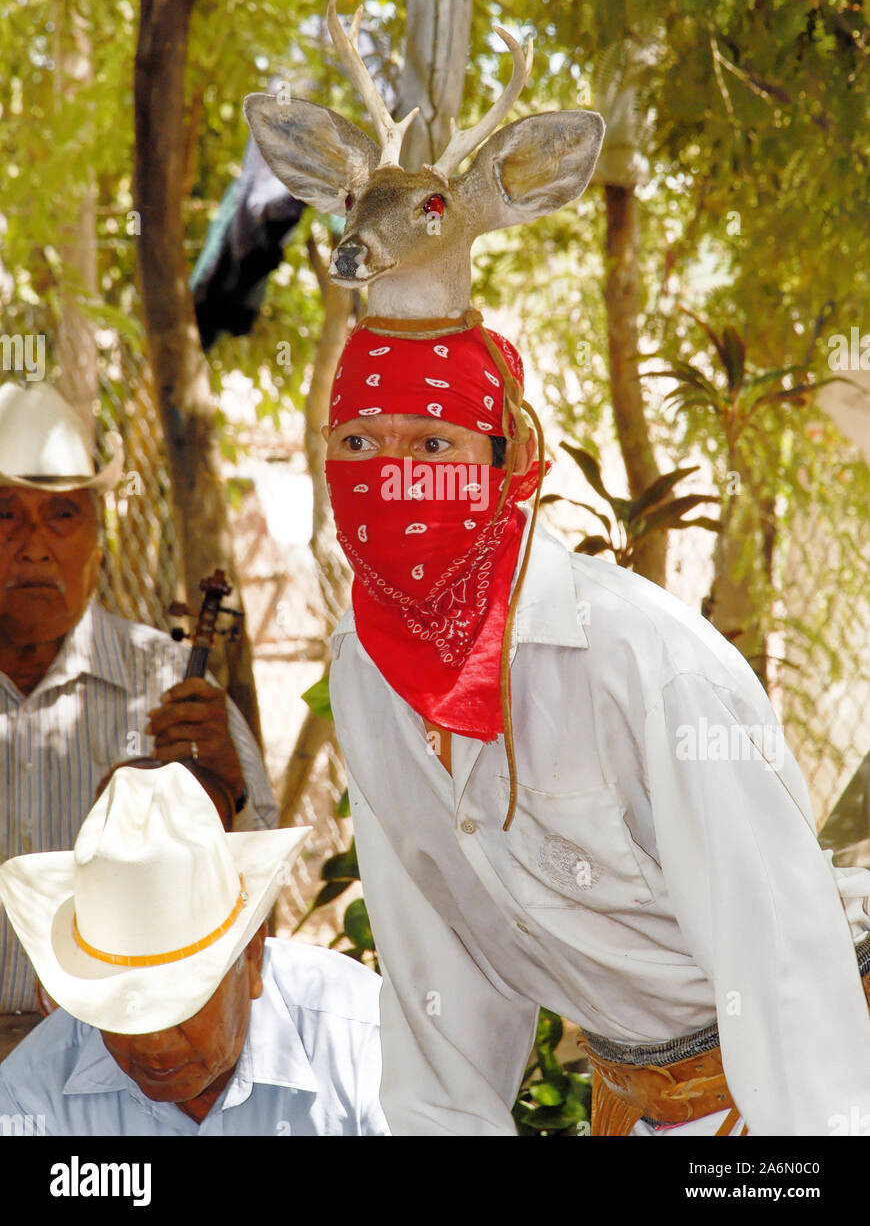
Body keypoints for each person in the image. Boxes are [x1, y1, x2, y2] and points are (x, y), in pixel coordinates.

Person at [320, 317, 870, 1137]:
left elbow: (783, 968)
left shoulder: (644, 664)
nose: (393, 479)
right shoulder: (365, 672)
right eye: (360, 442)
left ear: (506, 464)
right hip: (640, 1100)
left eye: (434, 445)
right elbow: (434, 976)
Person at [0, 383, 277, 1054]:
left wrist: (229, 791)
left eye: (62, 515)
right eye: (4, 515)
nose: (33, 546)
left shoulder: (167, 682)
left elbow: (258, 893)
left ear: (99, 543)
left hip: (122, 1054)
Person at [0, 762, 388, 1136]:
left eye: (180, 1002)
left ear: (251, 957)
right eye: (120, 1012)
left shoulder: (362, 1042)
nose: (154, 1044)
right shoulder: (33, 1090)